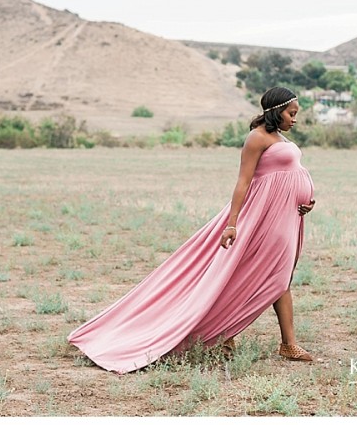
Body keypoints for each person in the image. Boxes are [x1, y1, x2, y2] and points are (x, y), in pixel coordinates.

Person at [67, 87, 316, 373]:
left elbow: (289, 173)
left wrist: (305, 200)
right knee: (259, 276)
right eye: (291, 113)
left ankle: (282, 342)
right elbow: (243, 182)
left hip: (286, 215)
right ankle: (232, 334)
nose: (295, 120)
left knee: (279, 275)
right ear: (276, 111)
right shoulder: (257, 138)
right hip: (260, 217)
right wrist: (232, 223)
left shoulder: (279, 138)